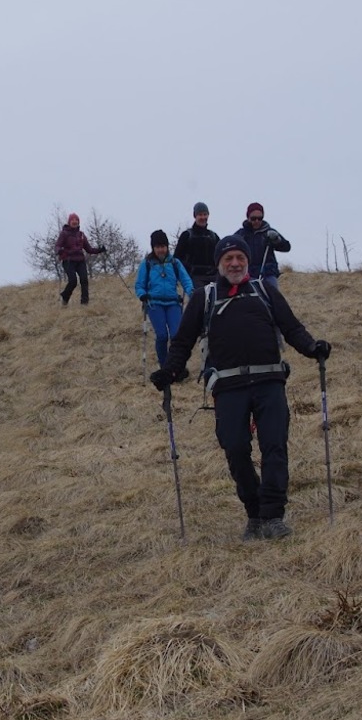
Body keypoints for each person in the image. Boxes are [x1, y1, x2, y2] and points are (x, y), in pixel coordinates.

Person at [150, 235, 330, 541]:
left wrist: (313, 348)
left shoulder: (265, 291)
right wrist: (170, 371)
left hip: (270, 381)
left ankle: (272, 516)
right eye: (229, 259)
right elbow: (182, 342)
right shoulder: (204, 298)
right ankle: (254, 512)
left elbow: (292, 328)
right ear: (219, 263)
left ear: (247, 261)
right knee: (235, 448)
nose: (235, 264)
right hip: (228, 386)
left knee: (275, 447)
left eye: (240, 258)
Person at [134, 230, 193, 367]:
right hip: (154, 304)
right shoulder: (147, 264)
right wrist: (142, 295)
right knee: (162, 336)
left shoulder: (175, 263)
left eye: (163, 246)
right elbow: (139, 285)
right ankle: (164, 366)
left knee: (176, 336)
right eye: (157, 247)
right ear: (153, 248)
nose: (161, 250)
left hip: (173, 303)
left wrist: (191, 293)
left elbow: (186, 281)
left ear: (167, 246)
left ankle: (176, 365)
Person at [234, 202, 290, 291]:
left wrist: (277, 240)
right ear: (248, 217)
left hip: (268, 273)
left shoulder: (269, 232)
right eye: (253, 218)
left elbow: (286, 247)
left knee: (274, 295)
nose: (257, 221)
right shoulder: (241, 235)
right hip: (247, 274)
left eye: (260, 218)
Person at [55, 213, 107, 306]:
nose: (75, 222)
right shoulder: (64, 234)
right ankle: (65, 297)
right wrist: (59, 251)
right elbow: (57, 245)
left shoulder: (81, 235)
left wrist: (100, 250)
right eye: (73, 220)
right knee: (73, 281)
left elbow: (89, 249)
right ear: (69, 222)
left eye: (76, 220)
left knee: (84, 280)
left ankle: (84, 303)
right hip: (68, 260)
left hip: (80, 261)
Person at [175, 201, 220, 288]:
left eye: (205, 214)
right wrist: (189, 270)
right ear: (195, 216)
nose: (203, 217)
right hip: (193, 278)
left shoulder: (213, 236)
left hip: (213, 278)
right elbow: (177, 259)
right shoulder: (187, 235)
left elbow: (221, 256)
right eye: (200, 214)